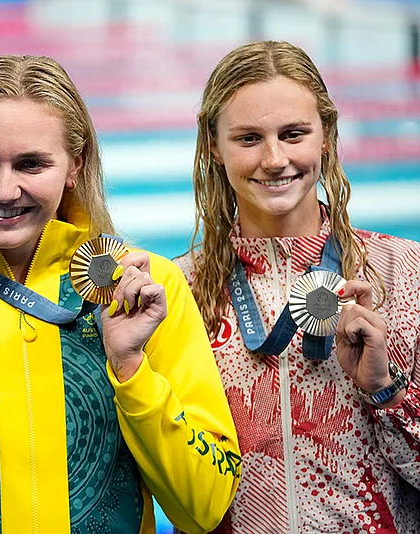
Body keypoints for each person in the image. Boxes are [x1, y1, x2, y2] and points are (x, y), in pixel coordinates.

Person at [0, 54, 241, 534]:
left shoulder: (149, 290)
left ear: (74, 165)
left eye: (31, 164)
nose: (5, 190)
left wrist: (130, 369)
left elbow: (203, 506)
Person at [175, 40, 420, 533]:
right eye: (248, 138)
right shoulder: (180, 290)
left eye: (293, 134)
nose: (274, 159)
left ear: (325, 135)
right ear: (213, 147)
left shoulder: (405, 272)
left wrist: (384, 390)